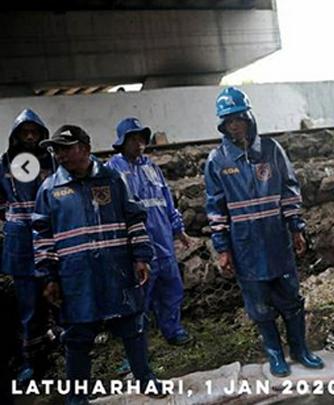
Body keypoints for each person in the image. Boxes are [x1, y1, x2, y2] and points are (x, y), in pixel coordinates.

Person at [33, 125, 163, 404]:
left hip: (117, 271)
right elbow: (42, 235)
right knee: (77, 336)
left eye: (66, 148)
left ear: (86, 149)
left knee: (133, 326)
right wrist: (49, 277)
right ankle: (77, 397)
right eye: (56, 149)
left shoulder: (113, 178)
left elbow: (134, 218)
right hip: (75, 277)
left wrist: (141, 257)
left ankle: (145, 379)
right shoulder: (50, 189)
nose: (60, 155)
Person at [205, 87, 323, 378]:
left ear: (249, 117)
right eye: (229, 121)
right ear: (223, 125)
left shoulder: (271, 150)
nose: (235, 125)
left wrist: (296, 229)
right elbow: (216, 208)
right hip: (245, 247)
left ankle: (300, 350)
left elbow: (289, 190)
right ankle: (275, 356)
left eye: (239, 118)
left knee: (292, 300)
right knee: (259, 306)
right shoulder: (217, 160)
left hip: (277, 241)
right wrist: (222, 248)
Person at [106, 117, 193, 346]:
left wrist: (179, 230)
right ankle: (136, 344)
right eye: (132, 138)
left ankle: (173, 330)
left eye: (141, 138)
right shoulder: (113, 169)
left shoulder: (153, 168)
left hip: (163, 241)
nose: (139, 143)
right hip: (136, 245)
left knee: (171, 288)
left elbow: (167, 201)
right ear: (122, 142)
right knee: (139, 296)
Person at [0, 109, 55, 385]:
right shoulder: (4, 164)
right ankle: (28, 361)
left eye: (35, 132)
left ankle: (59, 349)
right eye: (25, 132)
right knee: (27, 306)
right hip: (20, 244)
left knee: (56, 296)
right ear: (17, 136)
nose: (31, 137)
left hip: (50, 236)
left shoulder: (53, 161)